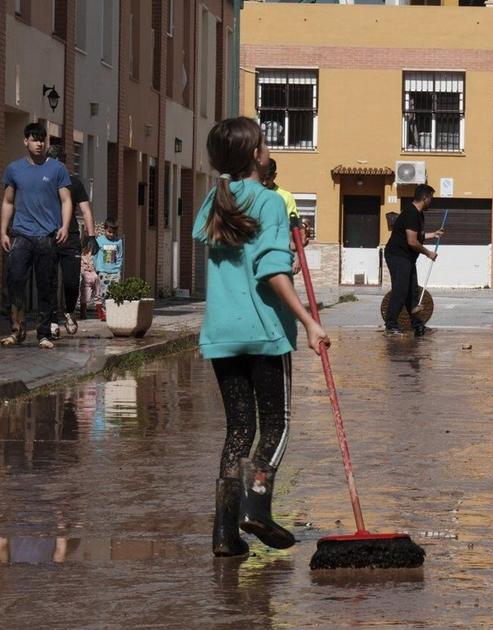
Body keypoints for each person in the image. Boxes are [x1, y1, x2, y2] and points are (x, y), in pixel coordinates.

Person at [192, 116, 329, 557]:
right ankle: (257, 505)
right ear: (255, 154)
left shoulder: (217, 198)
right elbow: (270, 271)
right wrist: (309, 321)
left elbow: (230, 252)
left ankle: (224, 534)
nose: (269, 149)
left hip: (222, 334)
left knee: (238, 430)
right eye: (265, 144)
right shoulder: (268, 202)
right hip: (265, 332)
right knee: (276, 424)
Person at [0, 122, 73, 349]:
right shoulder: (14, 169)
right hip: (21, 233)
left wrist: (65, 226)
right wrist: (3, 231)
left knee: (46, 285)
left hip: (47, 235)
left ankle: (44, 334)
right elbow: (8, 202)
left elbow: (66, 200)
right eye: (34, 139)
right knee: (16, 280)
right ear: (25, 141)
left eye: (42, 139)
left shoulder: (57, 169)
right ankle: (17, 331)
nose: (39, 143)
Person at [45, 144, 97, 335]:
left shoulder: (74, 183)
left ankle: (68, 311)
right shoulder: (43, 182)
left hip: (71, 238)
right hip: (48, 235)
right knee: (49, 280)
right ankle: (51, 319)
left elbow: (86, 210)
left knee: (70, 281)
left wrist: (91, 236)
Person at [383, 184, 444, 337]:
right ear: (424, 198)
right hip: (397, 255)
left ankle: (417, 326)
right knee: (401, 290)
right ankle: (390, 325)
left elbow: (418, 236)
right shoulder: (411, 213)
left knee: (412, 292)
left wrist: (434, 234)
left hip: (407, 257)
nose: (432, 201)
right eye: (431, 198)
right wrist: (428, 253)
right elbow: (412, 241)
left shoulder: (419, 214)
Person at [93, 219, 124, 321]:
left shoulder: (118, 241)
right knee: (105, 292)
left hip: (115, 271)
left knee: (115, 291)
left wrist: (118, 267)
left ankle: (114, 311)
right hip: (103, 271)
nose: (111, 235)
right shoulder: (100, 240)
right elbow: (95, 255)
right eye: (109, 232)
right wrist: (96, 268)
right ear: (105, 229)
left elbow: (120, 255)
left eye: (114, 233)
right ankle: (104, 311)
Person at [80, 254, 100, 319]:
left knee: (96, 279)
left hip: (93, 273)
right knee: (85, 294)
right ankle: (83, 312)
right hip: (85, 273)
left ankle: (99, 311)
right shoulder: (81, 256)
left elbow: (96, 265)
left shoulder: (94, 256)